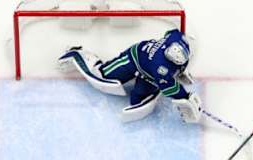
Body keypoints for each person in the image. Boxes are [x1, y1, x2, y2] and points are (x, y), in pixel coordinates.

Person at [57, 29, 201, 123]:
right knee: (102, 75)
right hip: (133, 58)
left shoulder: (176, 38)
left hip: (149, 72)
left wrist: (178, 73)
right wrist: (185, 96)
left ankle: (140, 92)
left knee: (137, 97)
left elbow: (169, 32)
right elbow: (168, 87)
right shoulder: (161, 67)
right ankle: (79, 54)